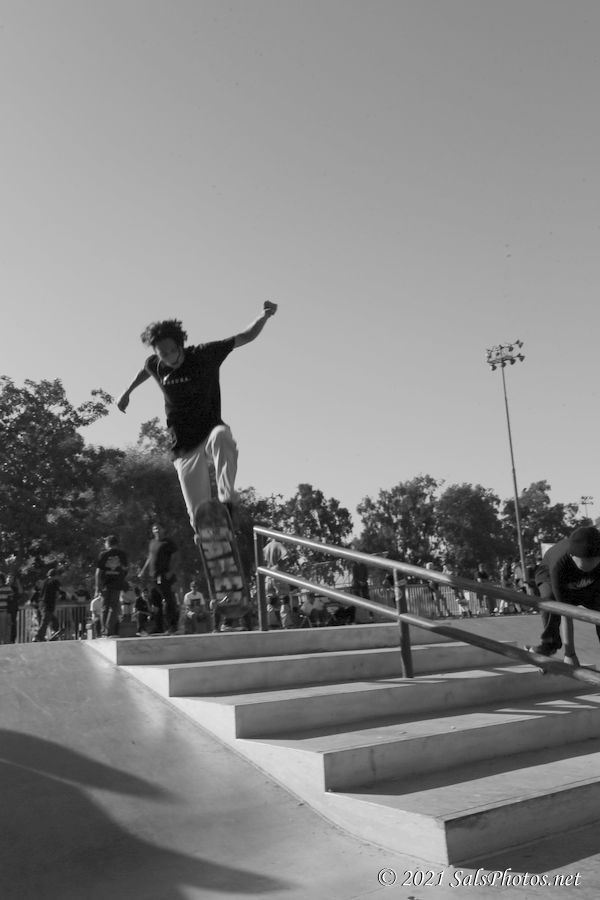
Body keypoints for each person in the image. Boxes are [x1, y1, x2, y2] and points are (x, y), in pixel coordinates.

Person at [116, 303, 278, 532]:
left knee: (222, 436)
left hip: (210, 430)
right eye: (163, 355)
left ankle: (227, 501)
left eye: (173, 351)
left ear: (180, 345)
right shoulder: (156, 365)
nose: (170, 358)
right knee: (199, 515)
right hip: (183, 443)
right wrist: (127, 392)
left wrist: (265, 315)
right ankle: (209, 538)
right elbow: (145, 370)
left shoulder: (205, 354)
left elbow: (245, 336)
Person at [525, 526, 600, 666]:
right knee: (550, 601)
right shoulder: (559, 565)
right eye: (585, 562)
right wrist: (570, 654)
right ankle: (549, 644)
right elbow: (565, 612)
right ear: (572, 556)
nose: (590, 565)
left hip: (585, 585)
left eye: (594, 561)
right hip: (548, 575)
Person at [139, 523, 179, 633]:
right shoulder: (152, 543)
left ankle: (172, 626)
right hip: (153, 577)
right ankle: (158, 627)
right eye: (154, 529)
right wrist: (143, 570)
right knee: (155, 602)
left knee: (168, 600)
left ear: (163, 530)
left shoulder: (168, 543)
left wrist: (171, 572)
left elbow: (176, 558)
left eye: (159, 528)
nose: (157, 530)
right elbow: (150, 557)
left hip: (163, 576)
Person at [95, 535, 129, 637]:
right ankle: (110, 630)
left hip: (105, 583)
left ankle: (104, 631)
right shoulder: (122, 554)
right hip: (117, 583)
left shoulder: (103, 554)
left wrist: (97, 586)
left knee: (104, 607)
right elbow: (126, 568)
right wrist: (121, 577)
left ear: (108, 543)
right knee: (114, 606)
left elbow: (98, 572)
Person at [34, 569, 62, 642]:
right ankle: (38, 636)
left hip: (41, 603)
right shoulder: (55, 581)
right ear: (55, 575)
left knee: (53, 619)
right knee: (45, 620)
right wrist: (57, 598)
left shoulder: (44, 582)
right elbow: (57, 593)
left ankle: (55, 632)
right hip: (48, 603)